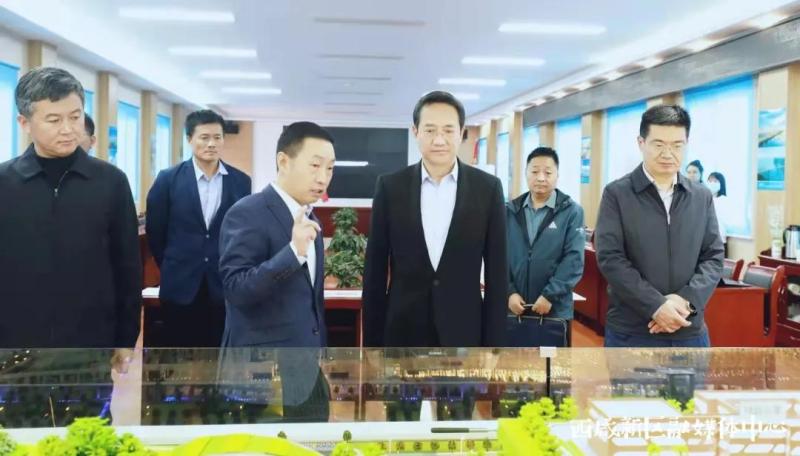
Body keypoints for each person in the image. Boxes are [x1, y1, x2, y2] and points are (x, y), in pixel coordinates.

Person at [0, 67, 141, 349]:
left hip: (91, 340)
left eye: (75, 117)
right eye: (54, 120)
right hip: (14, 341)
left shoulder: (111, 181)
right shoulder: (4, 183)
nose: (68, 129)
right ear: (24, 123)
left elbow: (127, 265)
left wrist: (126, 339)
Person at [362, 91, 508, 347]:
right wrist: (373, 346)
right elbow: (375, 271)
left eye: (448, 130)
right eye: (430, 130)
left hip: (464, 331)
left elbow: (497, 273)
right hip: (403, 332)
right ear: (415, 131)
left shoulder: (488, 189)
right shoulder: (390, 187)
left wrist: (495, 347)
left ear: (461, 132)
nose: (439, 140)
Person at [219, 121, 335, 421]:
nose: (323, 178)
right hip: (261, 374)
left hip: (305, 368)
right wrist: (292, 253)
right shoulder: (248, 212)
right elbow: (236, 288)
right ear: (283, 161)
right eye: (315, 166)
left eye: (330, 168)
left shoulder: (310, 220)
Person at [595, 105, 723, 348]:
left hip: (689, 329)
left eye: (677, 145)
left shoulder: (701, 196)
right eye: (659, 144)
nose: (668, 153)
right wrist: (655, 306)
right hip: (632, 331)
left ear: (686, 144)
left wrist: (686, 302)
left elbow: (713, 257)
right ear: (641, 143)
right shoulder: (617, 194)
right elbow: (611, 258)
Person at [145, 109, 251, 347]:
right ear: (189, 139)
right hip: (180, 284)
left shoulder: (241, 182)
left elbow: (243, 234)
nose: (211, 144)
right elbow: (156, 232)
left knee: (219, 353)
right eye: (204, 137)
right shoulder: (168, 179)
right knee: (180, 354)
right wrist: (173, 263)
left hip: (223, 285)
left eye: (217, 137)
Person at [506, 147, 585, 347]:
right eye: (534, 171)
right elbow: (498, 257)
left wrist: (550, 295)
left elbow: (574, 259)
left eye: (548, 172)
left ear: (557, 175)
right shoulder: (509, 211)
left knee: (551, 365)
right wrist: (509, 292)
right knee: (514, 363)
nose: (541, 178)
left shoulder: (572, 212)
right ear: (526, 173)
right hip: (515, 308)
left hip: (554, 310)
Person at [707, 171, 729, 256]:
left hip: (719, 240)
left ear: (721, 184)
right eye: (710, 181)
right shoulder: (705, 199)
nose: (712, 183)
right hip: (706, 242)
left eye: (715, 181)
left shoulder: (724, 200)